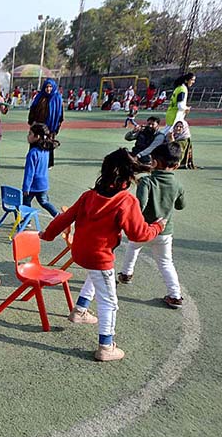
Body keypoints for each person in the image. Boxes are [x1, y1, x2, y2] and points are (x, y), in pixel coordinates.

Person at [39, 149, 167, 362]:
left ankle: (79, 310)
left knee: (96, 275)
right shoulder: (126, 201)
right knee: (109, 301)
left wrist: (48, 234)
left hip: (80, 252)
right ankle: (106, 346)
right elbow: (139, 234)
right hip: (99, 257)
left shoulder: (89, 196)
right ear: (129, 175)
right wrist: (157, 227)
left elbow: (65, 217)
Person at [117, 143, 185, 308]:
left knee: (133, 248)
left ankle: (126, 274)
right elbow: (180, 206)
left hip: (144, 228)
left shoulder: (146, 182)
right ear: (175, 165)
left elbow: (140, 206)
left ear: (153, 162)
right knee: (165, 262)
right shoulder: (177, 184)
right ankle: (175, 295)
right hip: (165, 230)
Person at [22, 123, 59, 217]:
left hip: (33, 185)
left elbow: (29, 172)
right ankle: (58, 216)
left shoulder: (33, 153)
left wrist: (26, 187)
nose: (28, 136)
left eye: (30, 134)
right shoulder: (46, 150)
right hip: (43, 183)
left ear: (37, 136)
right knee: (44, 202)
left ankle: (26, 220)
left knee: (25, 202)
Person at [28, 78, 63, 167]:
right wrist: (32, 121)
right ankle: (33, 163)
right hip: (38, 125)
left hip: (51, 126)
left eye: (51, 87)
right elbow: (33, 109)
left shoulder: (57, 98)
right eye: (47, 87)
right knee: (35, 143)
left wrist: (57, 127)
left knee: (48, 144)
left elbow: (60, 115)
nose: (49, 89)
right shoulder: (40, 97)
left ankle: (48, 164)